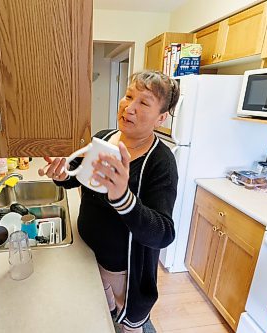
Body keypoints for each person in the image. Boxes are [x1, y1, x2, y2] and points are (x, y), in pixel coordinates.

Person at [39, 70, 179, 332]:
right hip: (88, 257)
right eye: (128, 96)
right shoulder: (104, 138)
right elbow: (75, 177)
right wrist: (60, 174)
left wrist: (123, 198)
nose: (129, 107)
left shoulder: (161, 162)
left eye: (144, 102)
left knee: (127, 325)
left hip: (123, 273)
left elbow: (163, 233)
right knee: (103, 318)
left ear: (161, 118)